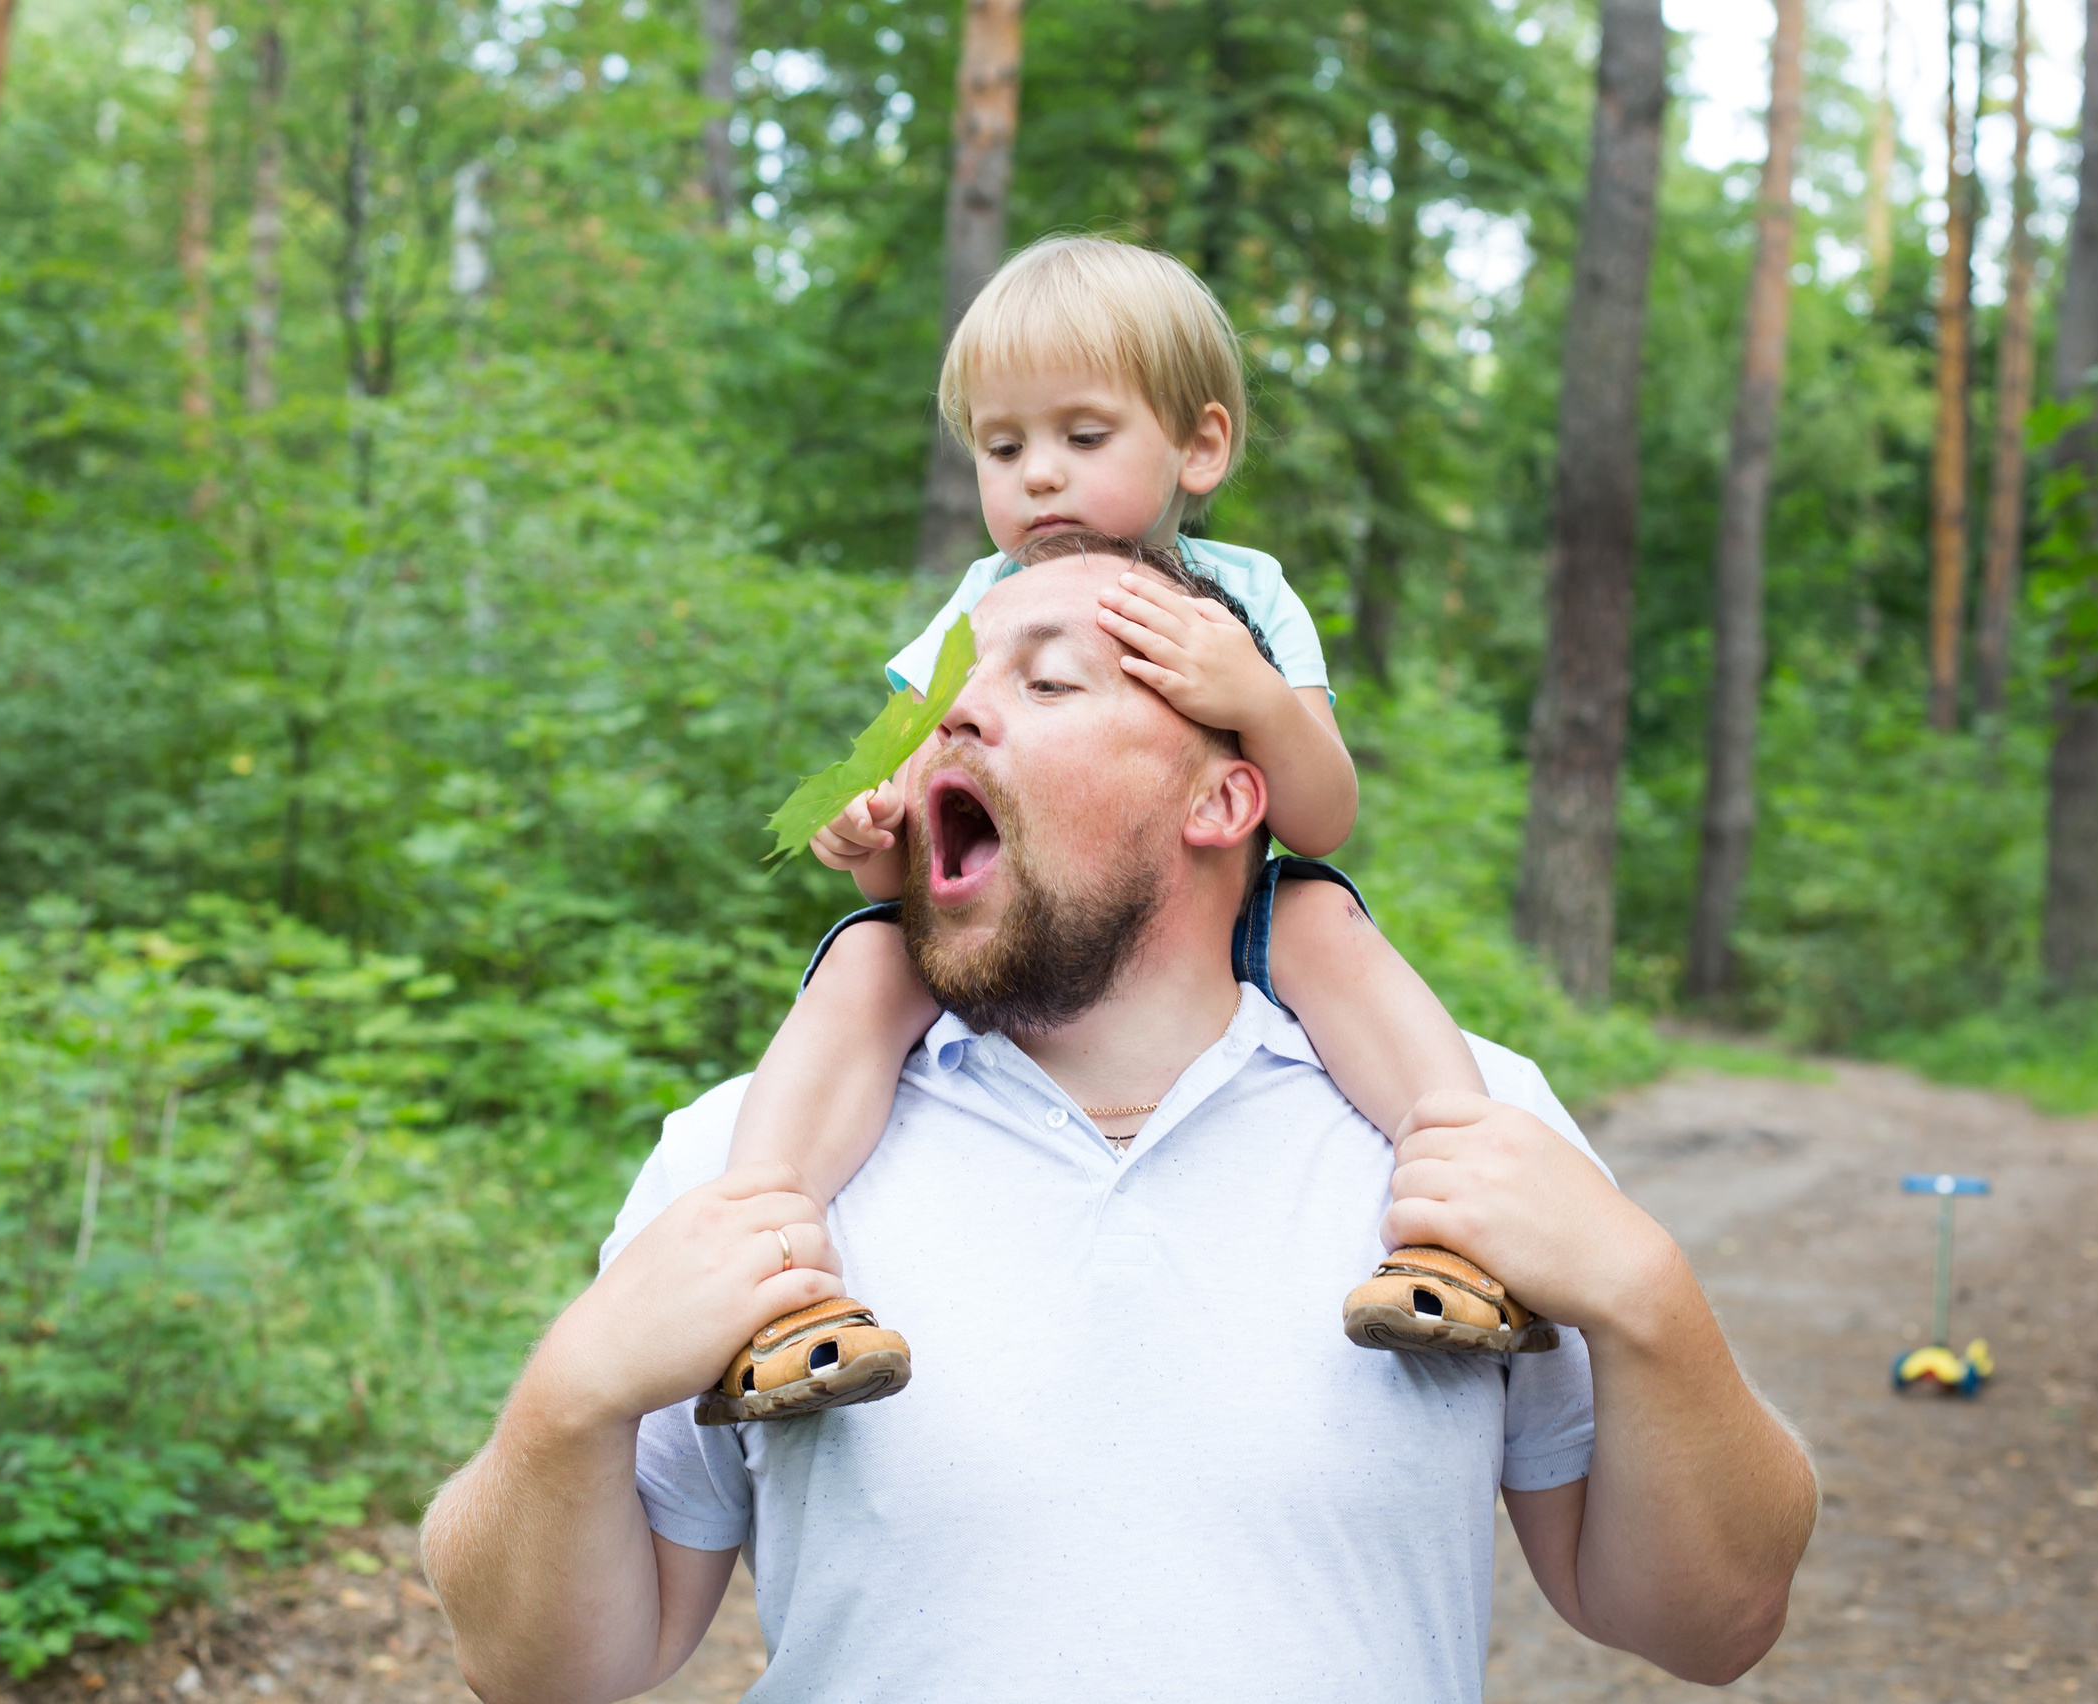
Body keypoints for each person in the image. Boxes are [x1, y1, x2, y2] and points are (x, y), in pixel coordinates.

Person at [419, 534, 1818, 1704]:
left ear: (1225, 796)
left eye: (1052, 681)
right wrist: (568, 1398)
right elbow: (539, 1670)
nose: (954, 716)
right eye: (951, 692)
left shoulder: (1466, 1129)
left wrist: (1647, 1296)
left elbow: (1711, 1627)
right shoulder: (752, 1161)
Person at [711, 234, 1538, 1424]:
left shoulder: (1243, 594)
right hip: (1001, 905)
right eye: (1004, 448)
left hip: (1216, 902)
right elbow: (908, 775)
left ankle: (1455, 1226)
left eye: (1081, 437)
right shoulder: (976, 603)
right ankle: (771, 1274)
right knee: (858, 960)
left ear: (1197, 445)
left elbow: (1322, 816)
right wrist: (866, 815)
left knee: (1327, 924)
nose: (1037, 477)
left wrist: (1251, 694)